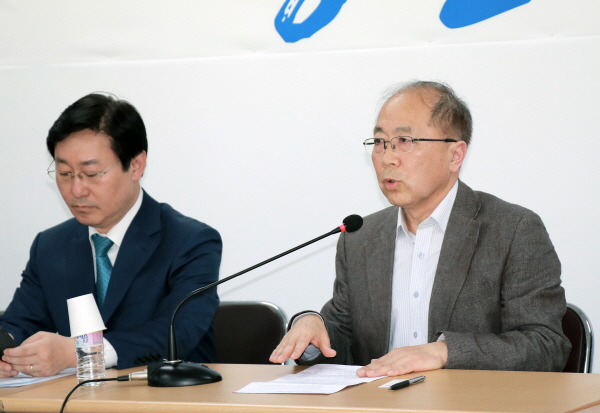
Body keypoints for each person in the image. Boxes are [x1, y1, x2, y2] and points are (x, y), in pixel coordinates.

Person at [270, 81, 570, 375]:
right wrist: (312, 328)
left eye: (405, 141)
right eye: (379, 142)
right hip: (378, 400)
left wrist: (443, 352)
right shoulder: (361, 237)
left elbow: (545, 345)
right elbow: (344, 338)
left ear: (455, 155)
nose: (387, 158)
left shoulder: (512, 230)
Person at [0, 93, 222, 377]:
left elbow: (179, 332)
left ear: (136, 165)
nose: (76, 190)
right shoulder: (50, 246)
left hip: (170, 394)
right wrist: (5, 351)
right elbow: (19, 324)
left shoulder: (190, 241)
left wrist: (80, 352)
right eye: (65, 173)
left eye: (92, 174)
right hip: (75, 397)